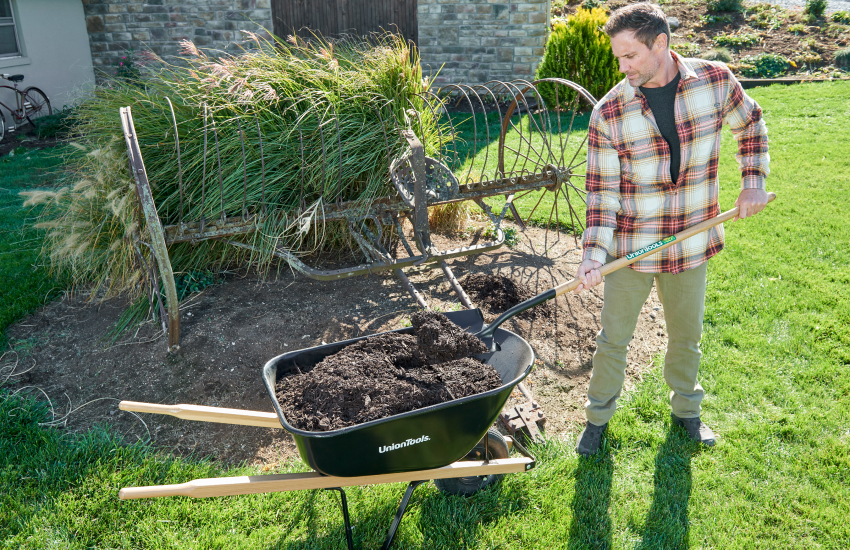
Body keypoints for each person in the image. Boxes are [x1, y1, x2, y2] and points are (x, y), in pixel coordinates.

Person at [572, 2, 770, 456]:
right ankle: (597, 419)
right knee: (613, 340)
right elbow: (603, 196)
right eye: (618, 58)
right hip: (632, 249)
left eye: (630, 56)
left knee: (687, 336)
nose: (623, 68)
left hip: (691, 241)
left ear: (660, 43)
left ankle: (687, 412)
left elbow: (752, 124)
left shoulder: (716, 82)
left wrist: (752, 182)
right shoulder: (610, 113)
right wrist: (592, 257)